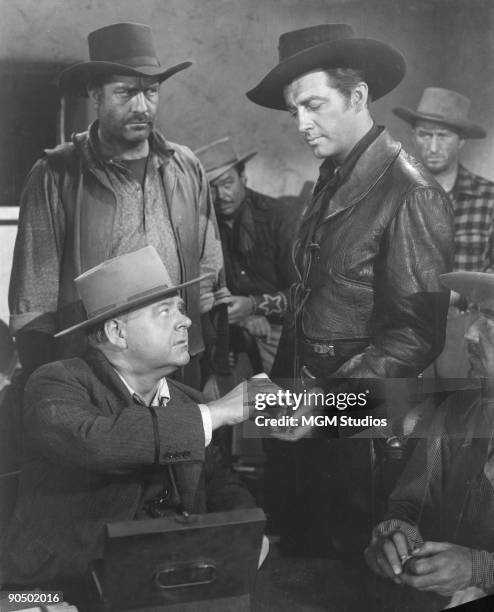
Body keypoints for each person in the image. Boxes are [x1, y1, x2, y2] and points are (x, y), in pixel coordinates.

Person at [245, 24, 454, 553]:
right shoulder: (333, 177)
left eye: (313, 105)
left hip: (359, 429)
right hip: (305, 416)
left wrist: (324, 403)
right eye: (294, 111)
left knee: (343, 570)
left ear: (357, 95)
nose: (302, 124)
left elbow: (415, 335)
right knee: (295, 554)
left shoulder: (412, 192)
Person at [0, 246, 276, 605]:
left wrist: (248, 533)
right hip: (59, 591)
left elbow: (221, 483)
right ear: (117, 332)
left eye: (180, 308)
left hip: (158, 588)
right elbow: (97, 441)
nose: (186, 321)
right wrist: (216, 413)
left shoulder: (186, 400)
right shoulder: (56, 383)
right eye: (165, 312)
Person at [8, 22, 224, 387]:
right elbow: (34, 301)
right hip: (92, 375)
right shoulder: (56, 175)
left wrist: (213, 366)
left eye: (151, 92)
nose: (142, 106)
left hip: (180, 370)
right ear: (96, 94)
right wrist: (45, 388)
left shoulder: (185, 168)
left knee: (179, 445)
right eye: (126, 93)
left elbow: (210, 273)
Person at [365, 270, 494, 610]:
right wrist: (396, 535)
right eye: (476, 316)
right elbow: (411, 505)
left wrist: (479, 569)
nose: (469, 333)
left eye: (490, 321)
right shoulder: (458, 410)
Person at [394, 87, 494, 383]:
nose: (433, 146)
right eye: (425, 135)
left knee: (461, 419)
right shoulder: (396, 196)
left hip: (466, 333)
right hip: (406, 329)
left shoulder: (488, 198)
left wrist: (462, 290)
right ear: (414, 135)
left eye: (444, 136)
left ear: (461, 140)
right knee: (408, 421)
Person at [195, 137, 300, 374]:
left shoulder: (280, 218)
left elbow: (306, 294)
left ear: (243, 178)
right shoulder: (202, 227)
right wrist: (243, 319)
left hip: (284, 328)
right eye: (211, 187)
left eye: (227, 183)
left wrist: (254, 307)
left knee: (292, 399)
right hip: (229, 327)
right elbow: (199, 292)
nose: (221, 195)